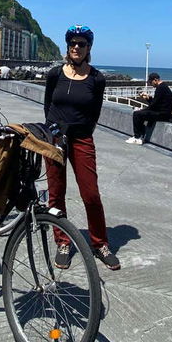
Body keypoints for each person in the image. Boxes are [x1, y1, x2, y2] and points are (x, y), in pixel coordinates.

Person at [43, 24, 121, 271]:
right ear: (68, 46)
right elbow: (47, 106)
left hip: (82, 139)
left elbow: (95, 111)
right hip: (55, 138)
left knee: (91, 194)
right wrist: (53, 130)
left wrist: (82, 132)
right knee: (56, 192)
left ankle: (100, 243)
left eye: (82, 44)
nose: (77, 47)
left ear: (89, 48)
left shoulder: (97, 78)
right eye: (73, 43)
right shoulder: (55, 74)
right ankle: (63, 242)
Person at [126, 72, 172, 144]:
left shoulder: (160, 88)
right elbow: (156, 102)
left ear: (155, 80)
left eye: (151, 82)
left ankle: (137, 137)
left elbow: (153, 105)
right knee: (140, 114)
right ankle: (141, 135)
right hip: (163, 112)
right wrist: (148, 98)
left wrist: (142, 110)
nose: (151, 84)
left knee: (137, 114)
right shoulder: (163, 87)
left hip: (162, 114)